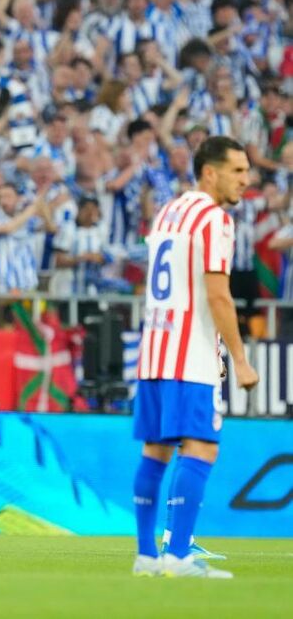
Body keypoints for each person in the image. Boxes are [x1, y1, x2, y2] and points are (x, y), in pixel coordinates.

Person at [131, 136, 258, 579]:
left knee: (156, 449)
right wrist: (239, 360)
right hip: (191, 352)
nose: (246, 180)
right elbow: (218, 294)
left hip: (154, 349)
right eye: (237, 171)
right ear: (210, 172)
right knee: (201, 445)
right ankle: (179, 555)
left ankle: (147, 554)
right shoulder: (216, 219)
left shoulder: (169, 209)